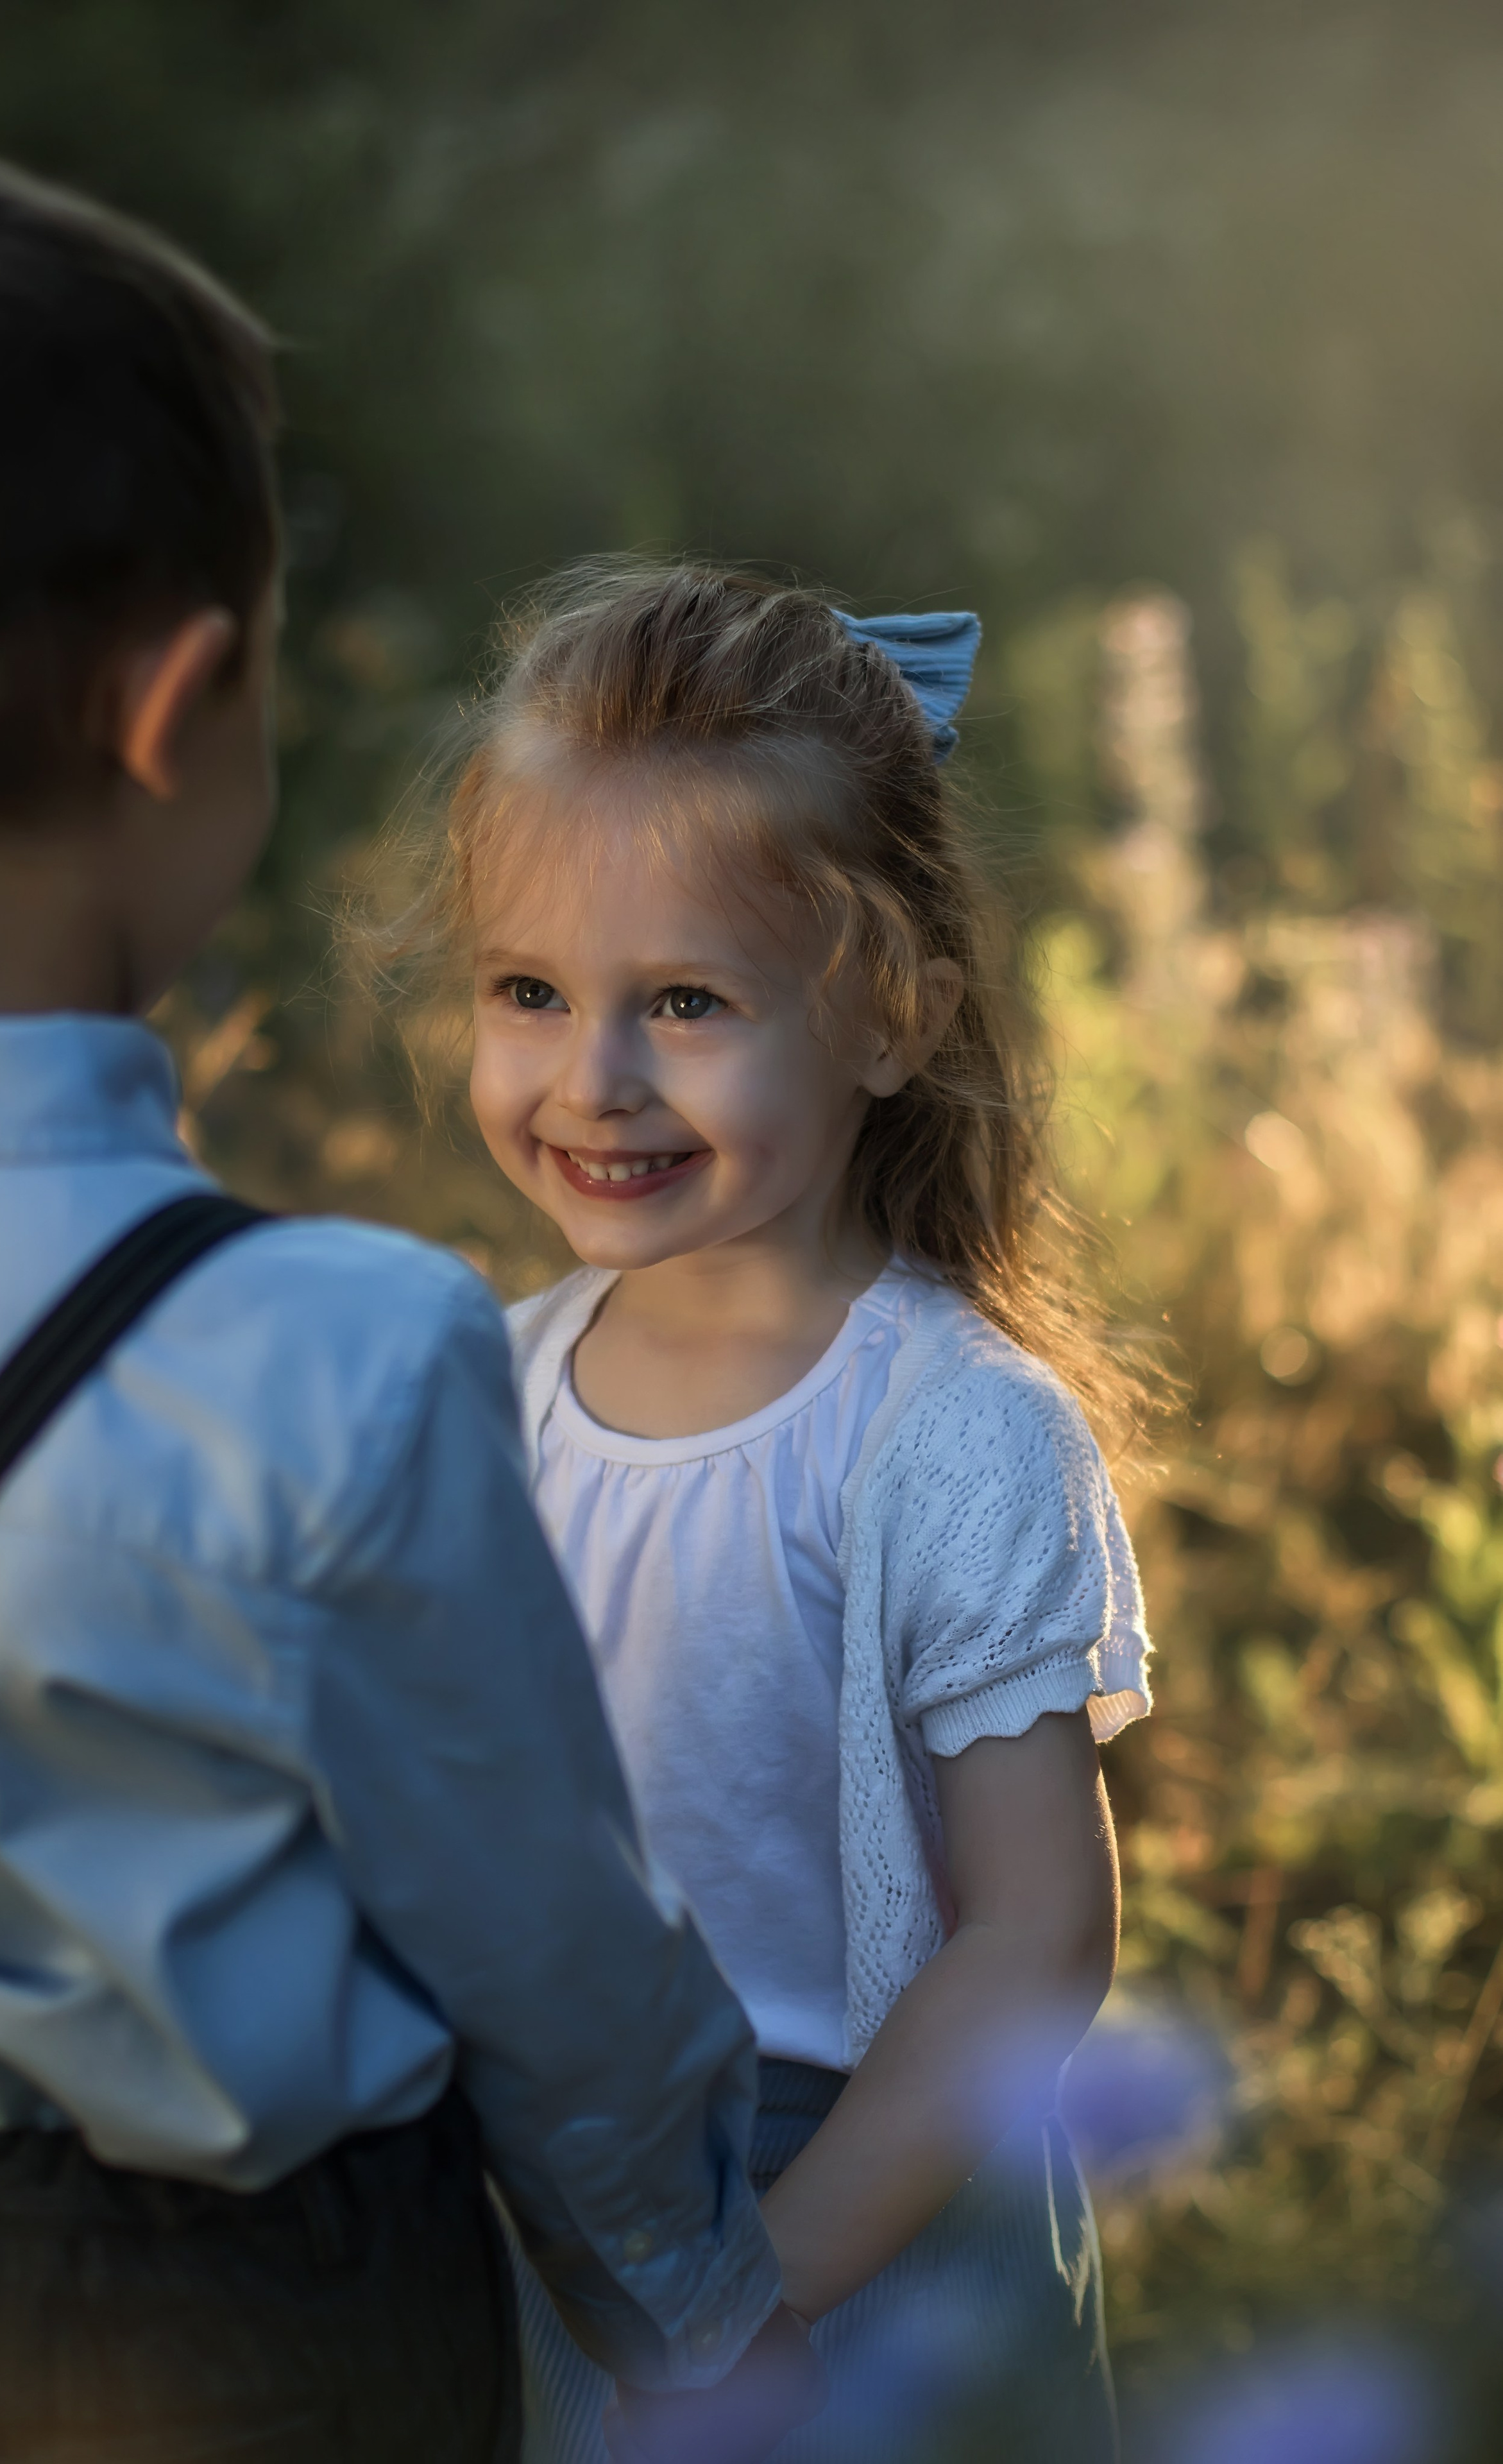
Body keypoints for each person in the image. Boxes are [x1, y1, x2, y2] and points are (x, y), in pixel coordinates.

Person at [0, 151, 818, 2464]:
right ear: (181, 708)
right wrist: (719, 2317)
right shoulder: (324, 1358)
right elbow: (560, 1980)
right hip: (236, 2348)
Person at [378, 561, 1153, 2462]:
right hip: (561, 2225)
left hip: (856, 2225)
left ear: (893, 1018)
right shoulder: (480, 1388)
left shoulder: (951, 1431)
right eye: (531, 992)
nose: (595, 1079)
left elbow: (1038, 1932)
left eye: (690, 1002)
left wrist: (754, 2291)